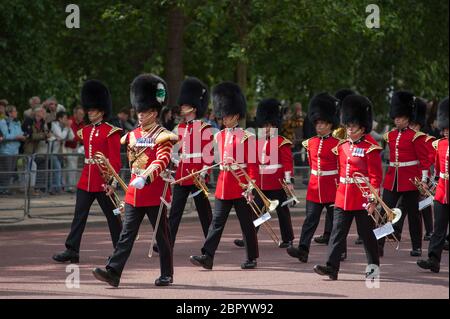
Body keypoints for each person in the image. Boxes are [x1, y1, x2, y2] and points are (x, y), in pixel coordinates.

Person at [92, 74, 177, 287]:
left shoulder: (163, 135)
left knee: (162, 237)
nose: (140, 115)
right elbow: (124, 165)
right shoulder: (130, 135)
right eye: (139, 111)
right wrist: (113, 183)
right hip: (134, 192)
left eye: (145, 112)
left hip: (154, 192)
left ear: (154, 113)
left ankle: (167, 273)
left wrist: (147, 177)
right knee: (126, 235)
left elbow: (163, 159)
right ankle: (114, 272)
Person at [190, 82, 259, 270]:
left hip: (241, 185)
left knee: (246, 224)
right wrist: (204, 170)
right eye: (222, 115)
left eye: (227, 115)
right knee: (216, 223)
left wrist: (251, 187)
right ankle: (208, 256)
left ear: (236, 115)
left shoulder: (247, 136)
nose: (223, 118)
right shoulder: (219, 136)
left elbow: (253, 166)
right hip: (223, 184)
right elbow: (211, 158)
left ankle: (251, 257)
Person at [52, 80, 123, 263]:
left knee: (113, 217)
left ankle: (119, 250)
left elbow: (115, 161)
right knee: (79, 216)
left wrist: (112, 182)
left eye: (92, 109)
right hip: (86, 180)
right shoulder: (86, 130)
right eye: (88, 109)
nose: (89, 112)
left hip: (102, 181)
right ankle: (72, 249)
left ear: (101, 110)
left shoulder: (111, 131)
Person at [313, 94, 382, 280]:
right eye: (348, 125)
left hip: (362, 198)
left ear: (362, 127)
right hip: (343, 196)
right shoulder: (342, 146)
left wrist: (373, 199)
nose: (349, 129)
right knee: (337, 234)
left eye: (353, 126)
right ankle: (331, 267)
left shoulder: (371, 147)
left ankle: (373, 269)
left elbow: (375, 177)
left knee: (367, 236)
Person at [287, 93, 346, 262]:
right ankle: (303, 250)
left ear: (330, 124)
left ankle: (341, 250)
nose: (319, 126)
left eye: (323, 123)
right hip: (315, 187)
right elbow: (313, 166)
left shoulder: (337, 144)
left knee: (337, 222)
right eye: (318, 123)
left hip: (332, 187)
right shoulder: (310, 142)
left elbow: (341, 167)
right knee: (310, 221)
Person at [234, 98, 295, 249]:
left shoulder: (282, 142)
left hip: (276, 183)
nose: (266, 128)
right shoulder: (256, 141)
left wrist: (289, 182)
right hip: (260, 183)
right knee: (256, 212)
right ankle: (249, 237)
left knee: (282, 212)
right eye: (264, 125)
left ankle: (288, 238)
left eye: (269, 125)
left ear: (275, 125)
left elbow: (288, 164)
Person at [378, 91, 433, 257]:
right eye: (396, 117)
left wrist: (424, 180)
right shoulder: (391, 135)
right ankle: (378, 243)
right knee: (384, 212)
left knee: (414, 215)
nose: (397, 120)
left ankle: (416, 246)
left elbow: (423, 160)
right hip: (392, 179)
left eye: (400, 117)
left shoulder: (416, 137)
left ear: (408, 118)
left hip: (410, 180)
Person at [165, 77, 213, 251]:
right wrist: (173, 160)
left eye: (185, 106)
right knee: (175, 211)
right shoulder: (180, 128)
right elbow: (174, 150)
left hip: (197, 174)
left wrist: (204, 173)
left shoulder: (205, 128)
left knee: (204, 213)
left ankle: (210, 242)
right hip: (182, 174)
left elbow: (208, 156)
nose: (182, 108)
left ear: (193, 107)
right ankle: (167, 241)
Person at [417, 97, 449, 273]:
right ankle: (433, 259)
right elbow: (437, 169)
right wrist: (431, 183)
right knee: (438, 229)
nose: (445, 131)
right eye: (444, 128)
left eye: (448, 128)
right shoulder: (439, 145)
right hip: (442, 191)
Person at [407, 98, 436, 241]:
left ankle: (430, 230)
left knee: (424, 204)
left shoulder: (426, 138)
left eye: (414, 125)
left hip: (422, 175)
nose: (412, 128)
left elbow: (430, 157)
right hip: (410, 175)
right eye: (410, 125)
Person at [0, 105, 26, 195]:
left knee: (11, 171)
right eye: (15, 111)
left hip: (15, 150)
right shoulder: (3, 122)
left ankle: (6, 189)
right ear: (10, 113)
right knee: (5, 171)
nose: (16, 112)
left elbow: (20, 133)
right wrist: (17, 137)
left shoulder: (17, 122)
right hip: (6, 151)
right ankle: (2, 190)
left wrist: (23, 136)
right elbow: (5, 136)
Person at [49, 111, 74, 194]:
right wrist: (67, 128)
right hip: (53, 152)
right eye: (65, 118)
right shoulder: (54, 125)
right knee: (57, 169)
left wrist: (68, 128)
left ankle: (56, 188)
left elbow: (72, 137)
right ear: (59, 119)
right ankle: (57, 188)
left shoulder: (64, 126)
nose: (67, 120)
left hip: (60, 152)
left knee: (58, 170)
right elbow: (61, 136)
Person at [63, 105, 86, 193]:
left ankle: (71, 186)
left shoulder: (82, 123)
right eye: (80, 114)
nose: (82, 116)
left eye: (83, 114)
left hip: (76, 147)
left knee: (73, 167)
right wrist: (79, 138)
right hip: (67, 147)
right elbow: (74, 137)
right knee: (70, 167)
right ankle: (69, 187)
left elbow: (83, 136)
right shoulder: (70, 122)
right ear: (75, 114)